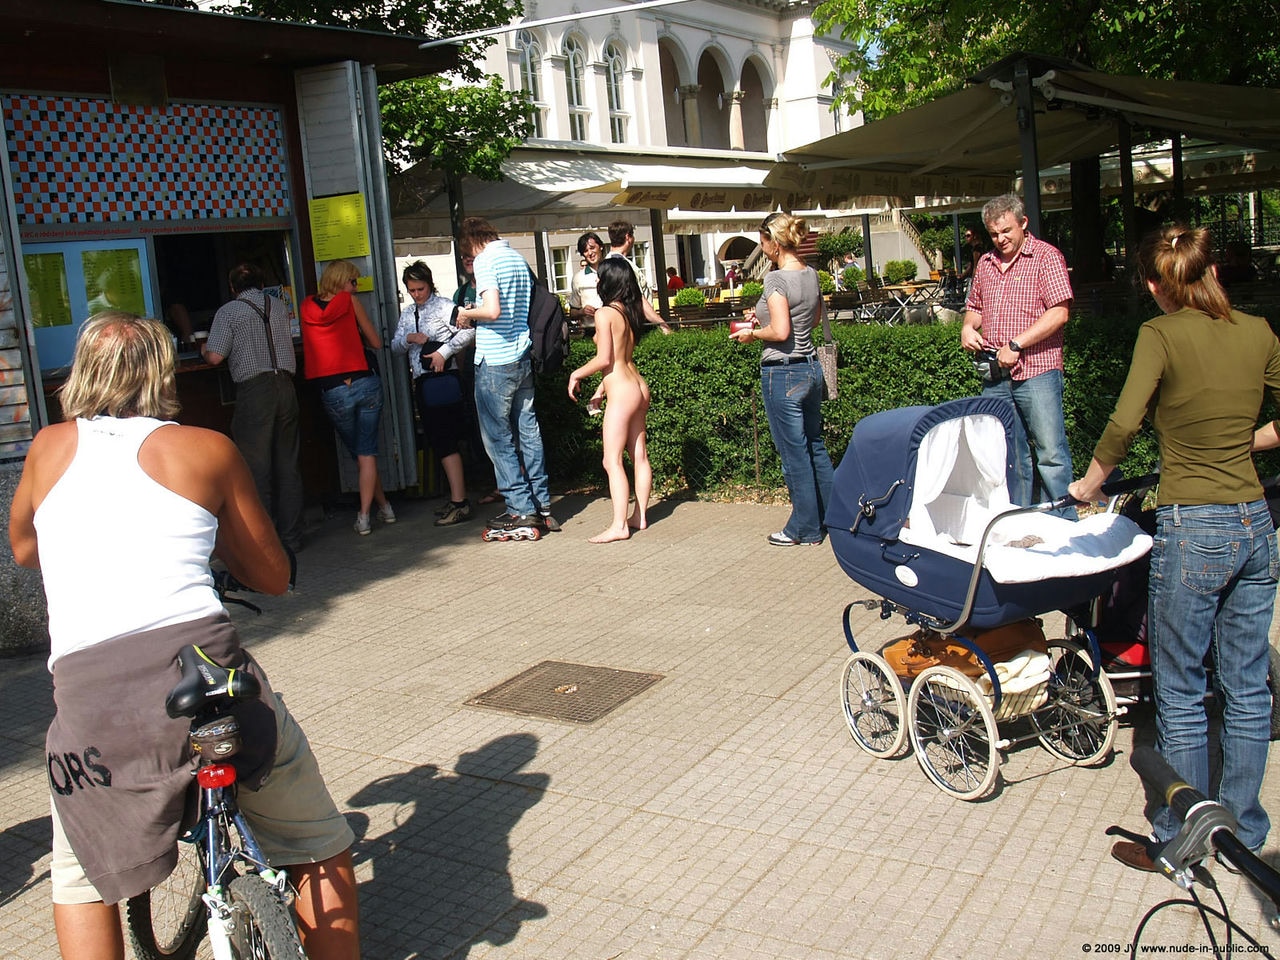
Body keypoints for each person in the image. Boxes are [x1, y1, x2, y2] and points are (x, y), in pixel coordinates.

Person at [9, 312, 360, 960]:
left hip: (96, 706)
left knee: (80, 879)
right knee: (313, 841)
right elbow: (272, 576)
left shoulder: (48, 447)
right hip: (203, 673)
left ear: (81, 374)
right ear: (163, 374)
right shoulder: (206, 449)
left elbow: (25, 549)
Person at [1070, 225, 1280, 874]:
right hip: (1255, 524)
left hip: (1195, 527)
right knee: (1246, 686)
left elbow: (1125, 422)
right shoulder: (1258, 331)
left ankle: (1180, 836)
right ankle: (1243, 831)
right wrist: (1245, 442)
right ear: (1210, 270)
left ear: (1156, 285)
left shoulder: (1160, 334)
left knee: (1182, 690)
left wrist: (1089, 484)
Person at [960, 194, 1074, 513]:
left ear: (1023, 223)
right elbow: (975, 307)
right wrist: (968, 328)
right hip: (996, 375)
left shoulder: (1046, 257)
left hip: (1037, 371)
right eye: (994, 234)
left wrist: (1016, 345)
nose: (1000, 239)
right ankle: (1016, 521)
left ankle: (1066, 525)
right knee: (1008, 457)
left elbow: (1059, 312)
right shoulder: (986, 263)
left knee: (1051, 455)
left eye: (1006, 231)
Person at [729, 211, 835, 546]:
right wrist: (762, 317)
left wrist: (752, 334)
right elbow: (812, 321)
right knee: (815, 446)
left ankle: (803, 528)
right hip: (811, 367)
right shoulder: (811, 273)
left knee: (793, 454)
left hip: (783, 371)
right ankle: (833, 519)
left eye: (762, 243)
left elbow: (780, 331)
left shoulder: (775, 280)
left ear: (773, 243)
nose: (761, 249)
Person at [454, 217, 558, 538]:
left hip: (495, 360)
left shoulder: (486, 260)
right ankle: (542, 504)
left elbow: (492, 310)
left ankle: (520, 508)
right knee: (529, 432)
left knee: (498, 438)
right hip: (522, 356)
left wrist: (466, 313)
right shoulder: (516, 257)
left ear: (470, 242)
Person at [202, 262, 306, 552]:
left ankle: (264, 540)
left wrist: (203, 347)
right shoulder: (278, 306)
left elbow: (215, 357)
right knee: (288, 464)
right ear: (262, 284)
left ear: (233, 288)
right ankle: (292, 537)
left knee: (256, 467)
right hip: (286, 386)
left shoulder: (229, 312)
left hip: (255, 390)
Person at [299, 260, 395, 536]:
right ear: (340, 281)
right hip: (364, 383)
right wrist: (358, 336)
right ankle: (365, 516)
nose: (355, 286)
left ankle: (385, 507)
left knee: (361, 453)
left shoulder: (305, 307)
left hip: (333, 389)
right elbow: (376, 342)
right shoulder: (349, 302)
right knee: (366, 452)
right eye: (352, 281)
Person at [567, 258, 653, 543]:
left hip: (623, 391)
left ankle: (619, 525)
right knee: (639, 455)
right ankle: (639, 516)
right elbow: (619, 359)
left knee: (611, 460)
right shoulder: (629, 312)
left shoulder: (605, 313)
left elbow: (604, 359)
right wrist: (601, 388)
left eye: (600, 277)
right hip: (637, 385)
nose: (597, 281)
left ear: (609, 282)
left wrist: (576, 374)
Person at [392, 261, 475, 526]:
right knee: (438, 440)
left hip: (443, 381)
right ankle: (456, 497)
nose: (417, 294)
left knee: (446, 439)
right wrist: (409, 339)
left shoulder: (444, 307)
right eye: (412, 290)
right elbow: (394, 346)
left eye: (421, 289)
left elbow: (468, 333)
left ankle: (460, 502)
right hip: (423, 382)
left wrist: (443, 352)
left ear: (430, 284)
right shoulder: (408, 313)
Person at [606, 219, 673, 334]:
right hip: (635, 325)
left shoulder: (608, 263)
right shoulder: (622, 265)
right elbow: (638, 299)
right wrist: (663, 325)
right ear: (628, 237)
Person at [568, 231, 606, 329]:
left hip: (615, 329)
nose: (590, 253)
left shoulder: (614, 271)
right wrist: (582, 312)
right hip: (591, 330)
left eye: (592, 248)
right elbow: (572, 312)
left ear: (601, 247)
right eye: (585, 251)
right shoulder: (578, 278)